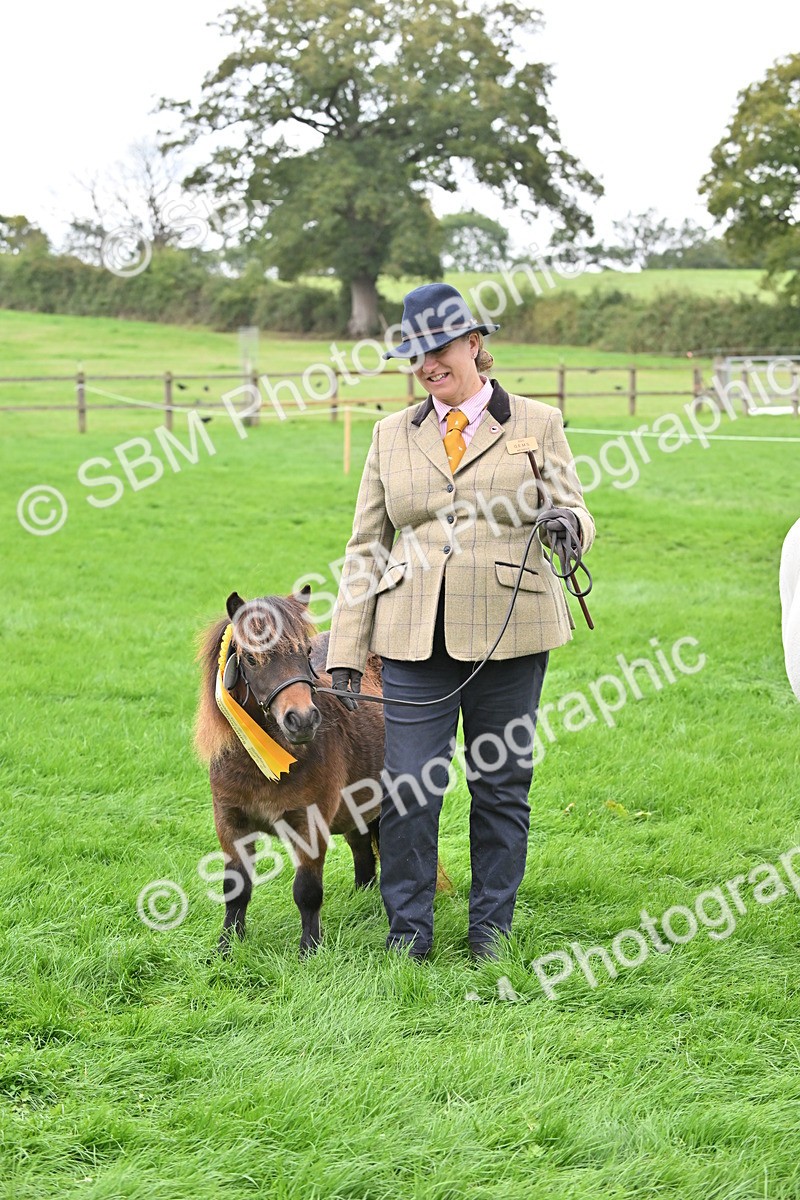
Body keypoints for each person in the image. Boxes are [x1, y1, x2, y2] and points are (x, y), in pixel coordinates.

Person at [325, 282, 595, 960]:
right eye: (415, 355)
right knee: (409, 789)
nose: (426, 365)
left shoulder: (537, 423)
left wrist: (568, 525)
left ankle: (489, 934)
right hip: (412, 638)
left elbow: (577, 509)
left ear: (476, 344)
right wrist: (346, 652)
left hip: (512, 632)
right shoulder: (392, 435)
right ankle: (407, 934)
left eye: (438, 349)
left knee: (501, 785)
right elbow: (366, 547)